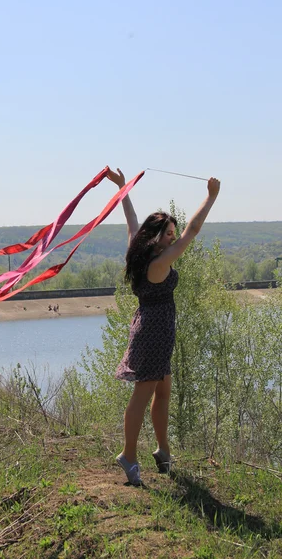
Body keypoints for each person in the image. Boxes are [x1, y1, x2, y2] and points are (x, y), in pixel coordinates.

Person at [106, 167, 220, 485]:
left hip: (153, 330)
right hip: (153, 335)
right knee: (141, 397)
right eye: (169, 233)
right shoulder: (158, 263)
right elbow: (193, 231)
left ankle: (163, 451)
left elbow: (131, 221)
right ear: (157, 238)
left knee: (163, 392)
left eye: (173, 233)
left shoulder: (139, 253)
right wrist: (211, 197)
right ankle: (128, 456)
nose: (174, 237)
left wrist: (122, 188)